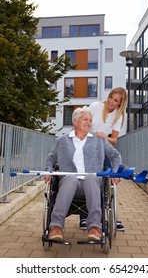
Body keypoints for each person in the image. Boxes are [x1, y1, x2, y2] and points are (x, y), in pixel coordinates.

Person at [44, 106, 122, 241]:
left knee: (91, 177)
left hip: (92, 184)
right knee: (70, 178)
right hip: (70, 184)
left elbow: (115, 156)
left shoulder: (99, 140)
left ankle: (95, 227)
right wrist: (48, 171)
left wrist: (115, 173)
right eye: (85, 119)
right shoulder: (63, 140)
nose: (89, 123)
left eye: (90, 120)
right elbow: (51, 158)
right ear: (75, 121)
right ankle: (56, 227)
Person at [79, 87, 128, 231]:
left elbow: (114, 140)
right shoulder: (95, 106)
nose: (111, 101)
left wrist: (104, 136)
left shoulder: (119, 116)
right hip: (86, 145)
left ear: (120, 103)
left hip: (102, 146)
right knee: (86, 176)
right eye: (111, 97)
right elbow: (82, 122)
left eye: (116, 100)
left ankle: (110, 214)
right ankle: (84, 216)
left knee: (112, 175)